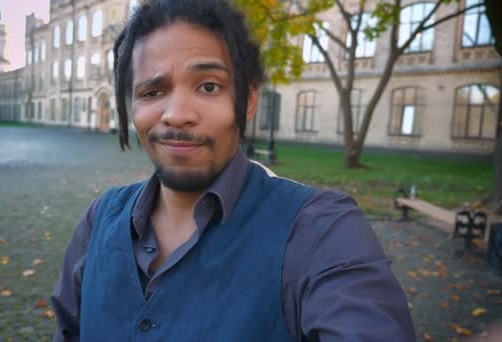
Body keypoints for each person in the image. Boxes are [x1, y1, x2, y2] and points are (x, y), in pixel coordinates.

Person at [51, 0, 416, 341]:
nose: (177, 113)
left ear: (249, 100)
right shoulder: (98, 222)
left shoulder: (321, 232)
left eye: (209, 86)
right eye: (152, 91)